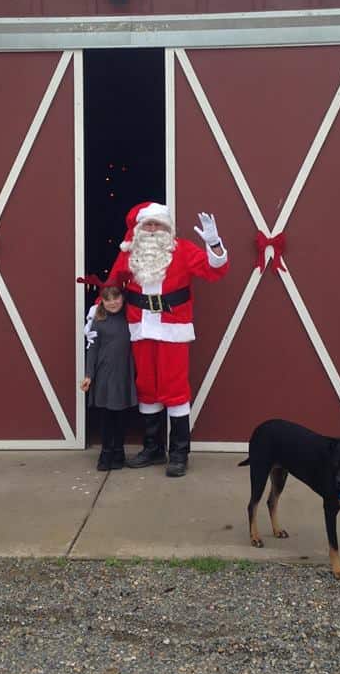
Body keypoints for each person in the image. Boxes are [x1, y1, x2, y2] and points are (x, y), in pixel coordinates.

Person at [107, 202, 229, 477]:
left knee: (174, 390)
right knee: (147, 387)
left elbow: (215, 270)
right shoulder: (130, 253)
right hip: (140, 327)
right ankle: (152, 448)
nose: (151, 229)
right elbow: (113, 283)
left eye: (157, 224)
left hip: (173, 328)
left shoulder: (183, 250)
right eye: (147, 225)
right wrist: (98, 310)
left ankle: (179, 453)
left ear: (167, 228)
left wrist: (214, 243)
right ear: (139, 228)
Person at [79, 283, 137, 472]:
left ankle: (119, 451)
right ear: (102, 302)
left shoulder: (131, 317)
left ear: (122, 298)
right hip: (104, 374)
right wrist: (89, 374)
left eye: (116, 298)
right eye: (107, 299)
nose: (112, 303)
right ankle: (106, 452)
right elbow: (93, 349)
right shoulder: (98, 319)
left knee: (121, 415)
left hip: (124, 373)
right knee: (106, 416)